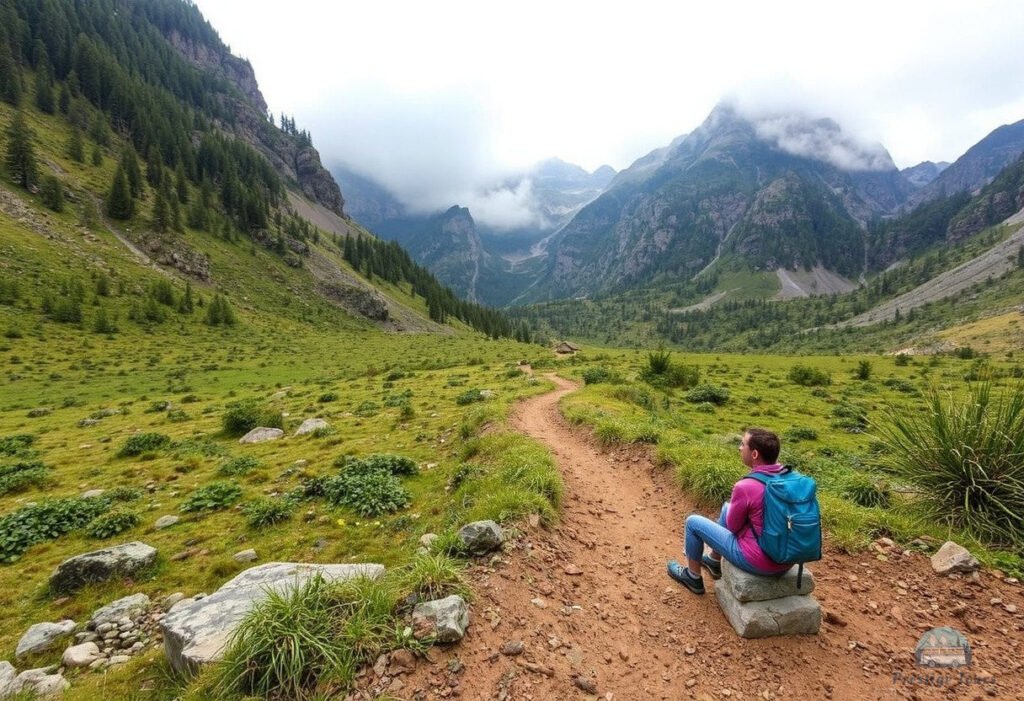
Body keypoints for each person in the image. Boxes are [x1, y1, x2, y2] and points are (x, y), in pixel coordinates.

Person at [667, 427, 792, 595]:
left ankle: (692, 576)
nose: (740, 448)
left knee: (693, 522)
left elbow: (733, 528)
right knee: (727, 508)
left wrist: (737, 497)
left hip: (760, 562)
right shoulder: (788, 477)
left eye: (743, 444)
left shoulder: (747, 486)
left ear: (754, 454)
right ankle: (713, 560)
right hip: (787, 559)